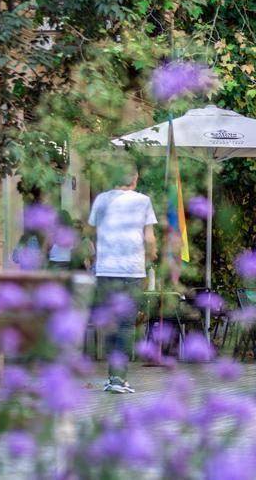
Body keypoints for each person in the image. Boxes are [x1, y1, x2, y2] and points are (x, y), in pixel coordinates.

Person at [87, 164, 157, 394]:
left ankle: (112, 377)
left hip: (106, 271)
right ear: (135, 179)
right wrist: (151, 255)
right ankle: (119, 378)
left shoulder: (101, 200)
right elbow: (149, 238)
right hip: (132, 272)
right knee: (126, 325)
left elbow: (91, 232)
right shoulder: (143, 201)